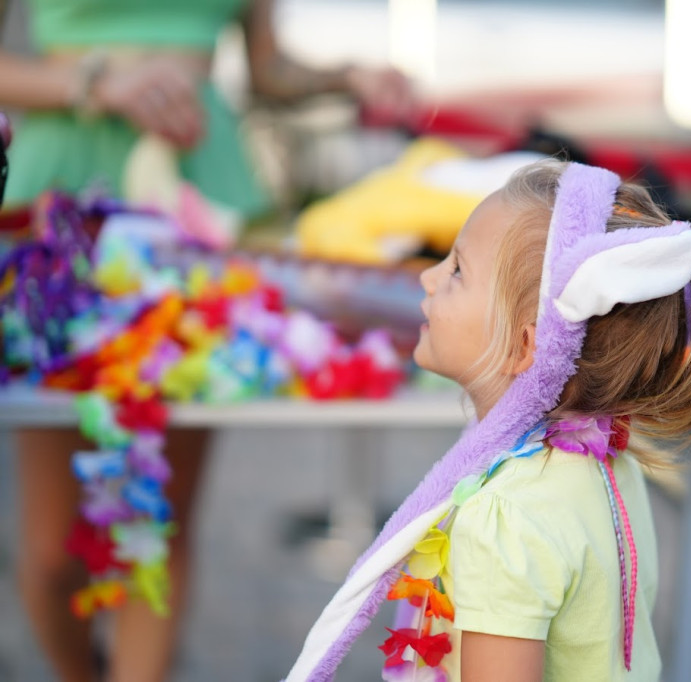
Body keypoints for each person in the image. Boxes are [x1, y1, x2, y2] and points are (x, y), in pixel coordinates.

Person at [0, 1, 413, 681]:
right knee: (51, 555)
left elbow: (268, 68)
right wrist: (95, 84)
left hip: (198, 198)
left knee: (156, 526)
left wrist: (350, 76)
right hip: (61, 207)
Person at [285, 159, 691, 681]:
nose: (429, 276)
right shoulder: (609, 463)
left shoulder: (504, 519)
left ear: (526, 345)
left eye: (457, 270)